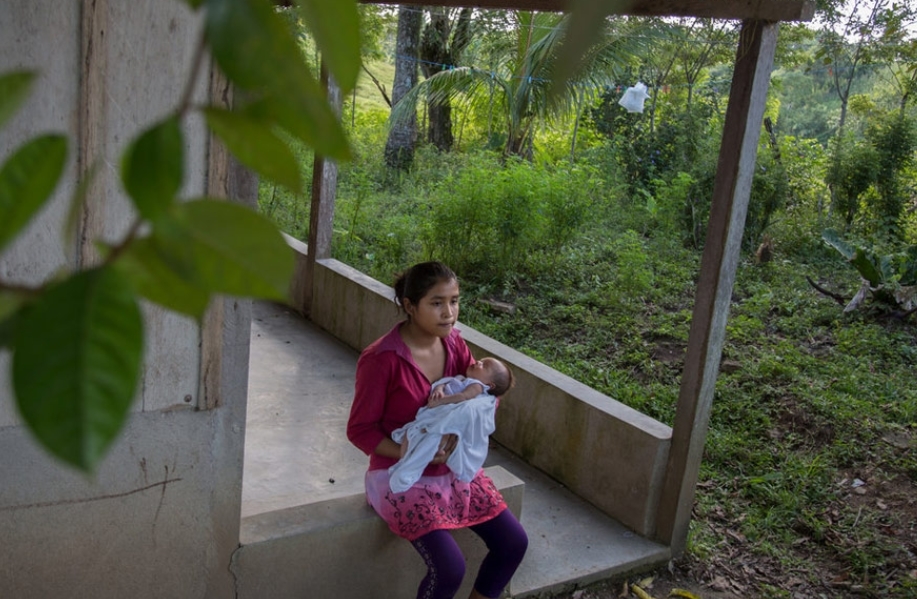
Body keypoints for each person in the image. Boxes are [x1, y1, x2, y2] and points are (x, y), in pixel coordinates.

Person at [346, 261, 528, 599]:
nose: (449, 313)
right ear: (410, 306)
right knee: (449, 568)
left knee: (514, 543)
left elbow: (485, 398)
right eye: (437, 302)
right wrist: (405, 450)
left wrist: (459, 433)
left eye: (455, 300)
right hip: (401, 475)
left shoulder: (455, 345)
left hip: (452, 470)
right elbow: (359, 430)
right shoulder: (381, 360)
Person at [388, 357, 515, 493]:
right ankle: (404, 463)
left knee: (427, 445)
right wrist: (439, 388)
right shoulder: (461, 379)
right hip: (433, 418)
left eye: (484, 365)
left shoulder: (476, 386)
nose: (478, 362)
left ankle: (409, 471)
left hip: (442, 421)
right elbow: (444, 384)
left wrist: (442, 401)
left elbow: (463, 397)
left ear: (490, 385)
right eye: (480, 360)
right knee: (410, 436)